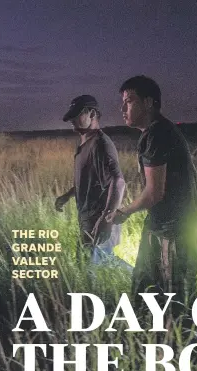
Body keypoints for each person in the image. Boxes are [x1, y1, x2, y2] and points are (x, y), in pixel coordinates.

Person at [106, 76, 197, 322]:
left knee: (176, 302)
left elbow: (154, 192)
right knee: (146, 290)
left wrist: (123, 212)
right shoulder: (158, 131)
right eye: (123, 102)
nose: (123, 109)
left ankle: (184, 351)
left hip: (175, 229)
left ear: (149, 102)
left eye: (129, 101)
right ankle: (150, 345)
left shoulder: (157, 135)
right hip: (162, 224)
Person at [55, 95, 125, 263]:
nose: (71, 119)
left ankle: (144, 284)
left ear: (92, 114)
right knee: (99, 266)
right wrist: (68, 195)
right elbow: (87, 181)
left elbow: (119, 182)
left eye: (77, 114)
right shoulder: (85, 144)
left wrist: (106, 221)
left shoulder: (101, 144)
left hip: (98, 221)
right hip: (89, 221)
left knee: (94, 270)